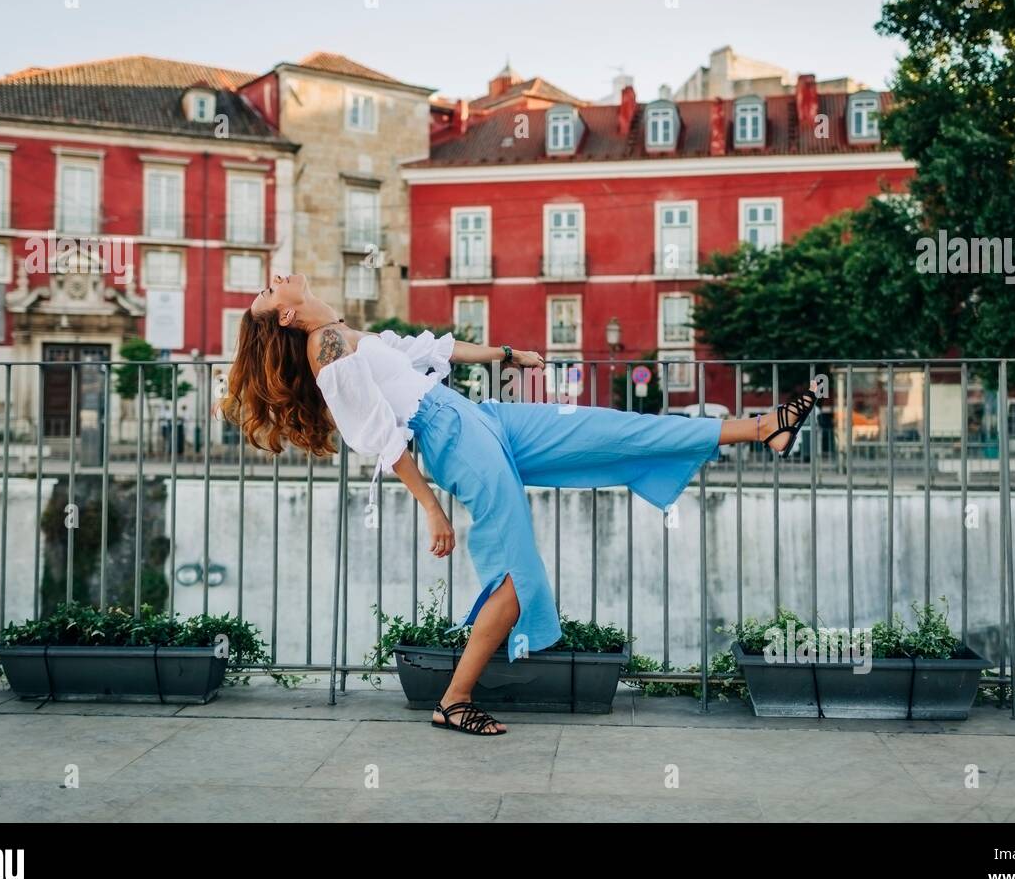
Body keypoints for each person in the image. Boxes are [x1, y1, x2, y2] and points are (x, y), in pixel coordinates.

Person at [221, 272, 818, 737]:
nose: (277, 278)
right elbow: (379, 436)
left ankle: (763, 426)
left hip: (480, 418)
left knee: (608, 428)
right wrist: (432, 508)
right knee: (515, 570)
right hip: (450, 436)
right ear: (289, 314)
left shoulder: (347, 333)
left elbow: (437, 350)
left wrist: (508, 355)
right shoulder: (325, 348)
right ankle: (454, 701)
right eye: (269, 291)